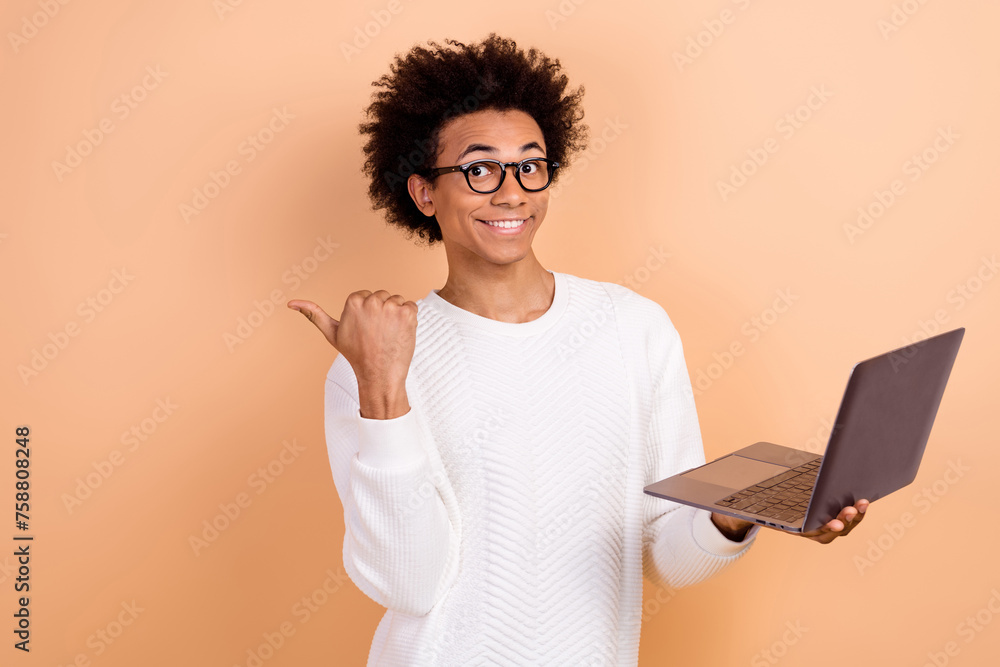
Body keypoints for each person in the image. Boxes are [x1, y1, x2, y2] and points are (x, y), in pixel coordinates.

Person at [288, 34, 868, 666]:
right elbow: (411, 583)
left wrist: (735, 516)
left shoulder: (633, 328)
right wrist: (383, 390)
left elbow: (658, 553)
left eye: (530, 165)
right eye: (479, 169)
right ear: (425, 193)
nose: (511, 193)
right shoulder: (375, 360)